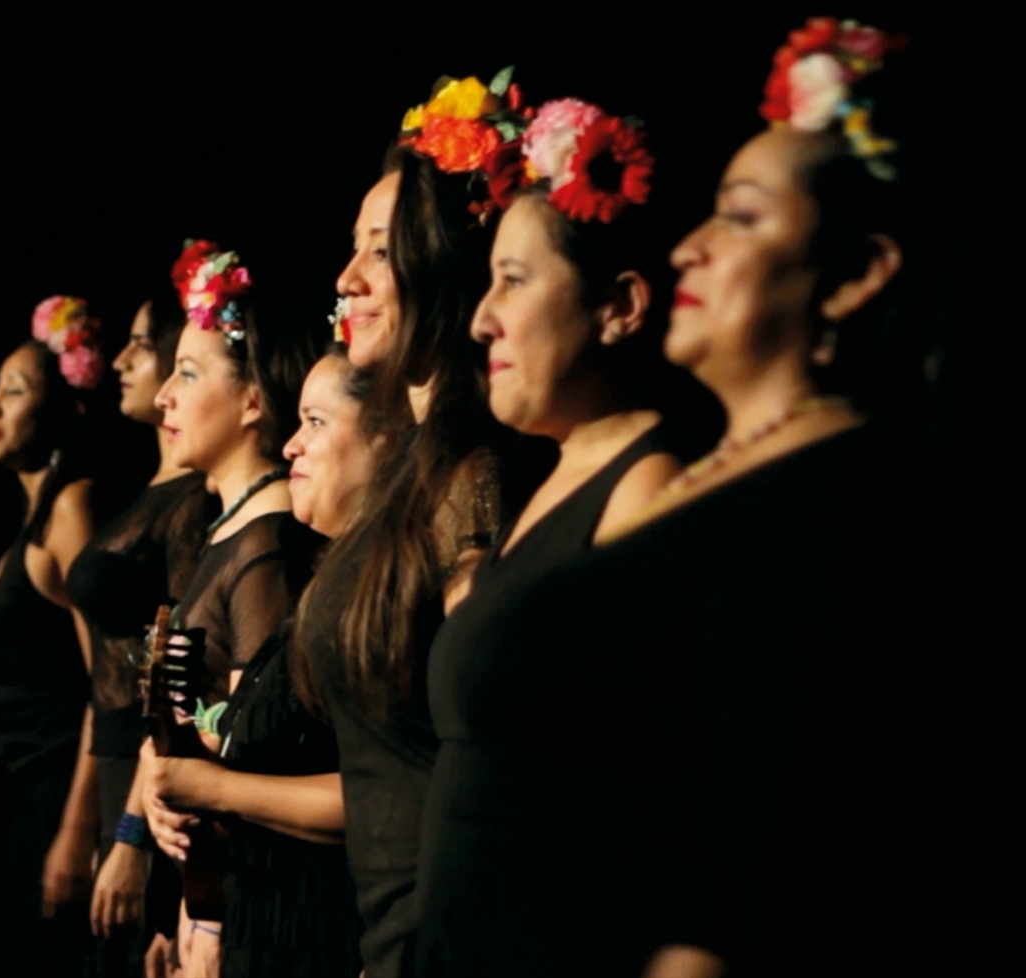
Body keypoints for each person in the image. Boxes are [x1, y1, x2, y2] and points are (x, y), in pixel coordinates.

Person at [412, 20, 931, 977]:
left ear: (857, 274)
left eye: (740, 218)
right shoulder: (720, 483)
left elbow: (755, 847)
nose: (689, 247)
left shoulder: (827, 505)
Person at [413, 95, 722, 978]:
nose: (481, 319)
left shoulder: (647, 490)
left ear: (619, 306)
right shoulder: (550, 484)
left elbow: (662, 796)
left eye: (514, 280)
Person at [291, 73, 536, 978]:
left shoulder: (473, 480)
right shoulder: (406, 480)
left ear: (442, 267)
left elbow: (490, 752)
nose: (346, 279)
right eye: (351, 250)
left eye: (378, 253)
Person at [140, 347, 381, 978]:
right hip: (266, 920)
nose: (291, 445)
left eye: (316, 422)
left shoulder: (367, 598)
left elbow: (385, 795)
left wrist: (213, 789)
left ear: (386, 442)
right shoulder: (326, 586)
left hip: (313, 934)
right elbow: (259, 750)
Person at [137, 240, 321, 977]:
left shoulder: (265, 543)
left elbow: (255, 746)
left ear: (252, 400)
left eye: (187, 373)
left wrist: (207, 915)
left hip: (244, 899)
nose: (163, 396)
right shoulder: (231, 531)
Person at [65, 284, 215, 977]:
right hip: (118, 766)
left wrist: (131, 834)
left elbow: (179, 679)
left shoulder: (190, 504)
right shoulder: (146, 494)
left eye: (142, 345)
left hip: (146, 775)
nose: (121, 361)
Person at [0, 296, 105, 978]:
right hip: (23, 794)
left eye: (14, 390)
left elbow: (106, 680)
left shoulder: (70, 508)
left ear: (59, 408)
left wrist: (77, 830)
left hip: (59, 796)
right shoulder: (27, 527)